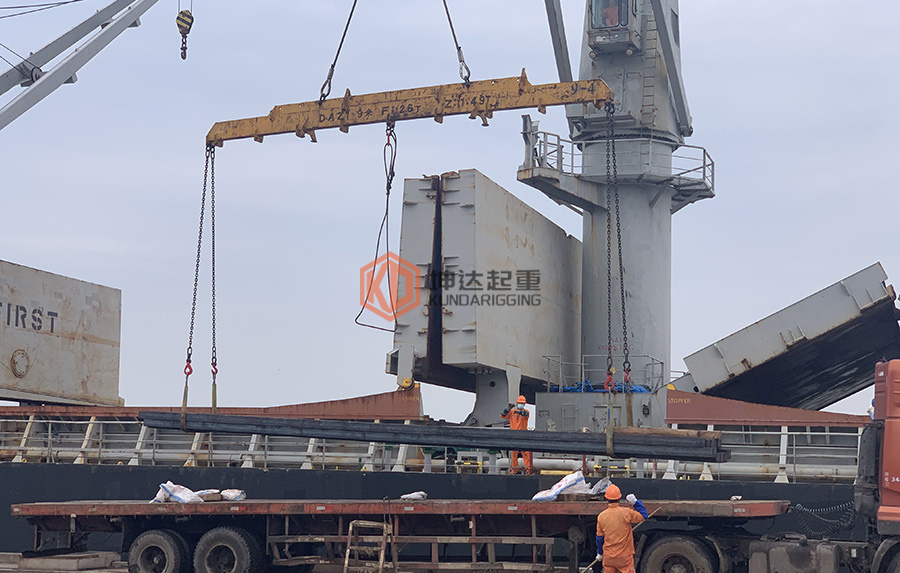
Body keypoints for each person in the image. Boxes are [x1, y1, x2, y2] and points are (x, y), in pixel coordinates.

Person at [595, 483, 648, 573]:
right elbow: (644, 515)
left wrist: (600, 553)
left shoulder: (601, 516)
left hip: (609, 557)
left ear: (606, 498)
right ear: (619, 498)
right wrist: (635, 503)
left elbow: (599, 538)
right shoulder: (626, 513)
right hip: (624, 557)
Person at [501, 395, 533, 474]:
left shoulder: (526, 412)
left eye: (522, 403)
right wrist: (508, 408)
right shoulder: (512, 412)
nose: (521, 405)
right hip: (514, 434)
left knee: (526, 453)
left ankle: (528, 470)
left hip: (523, 434)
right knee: (514, 454)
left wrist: (517, 411)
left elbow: (524, 414)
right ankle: (514, 470)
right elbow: (502, 415)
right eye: (519, 403)